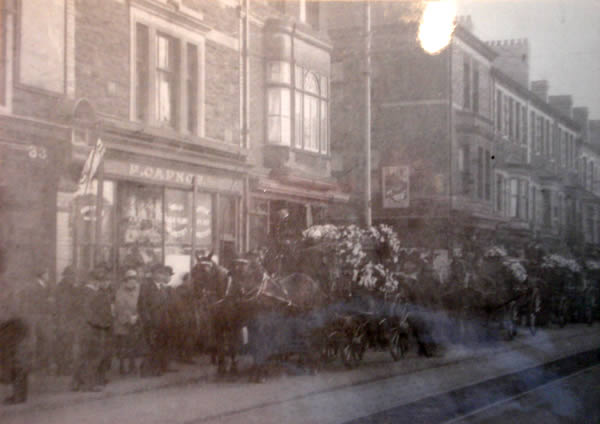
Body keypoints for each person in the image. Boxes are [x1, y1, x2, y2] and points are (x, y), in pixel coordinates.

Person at [71, 267, 113, 392]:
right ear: (95, 281)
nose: (102, 283)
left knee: (83, 356)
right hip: (91, 328)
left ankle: (77, 383)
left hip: (85, 328)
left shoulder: (83, 291)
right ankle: (89, 384)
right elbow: (88, 313)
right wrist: (103, 324)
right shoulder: (90, 293)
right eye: (100, 280)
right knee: (93, 356)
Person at [138, 264, 171, 377]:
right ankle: (146, 369)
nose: (160, 276)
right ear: (152, 275)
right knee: (150, 345)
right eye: (158, 273)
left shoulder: (162, 288)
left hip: (163, 321)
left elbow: (166, 305)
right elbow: (142, 305)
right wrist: (147, 320)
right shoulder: (146, 287)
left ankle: (157, 367)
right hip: (152, 320)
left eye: (162, 273)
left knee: (159, 345)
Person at [54, 266, 82, 375]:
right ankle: (62, 367)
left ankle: (64, 367)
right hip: (65, 320)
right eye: (72, 275)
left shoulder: (68, 287)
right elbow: (66, 304)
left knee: (67, 344)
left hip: (67, 320)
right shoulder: (64, 288)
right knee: (64, 344)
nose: (73, 278)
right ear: (67, 276)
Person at [113, 269, 141, 375]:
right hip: (123, 322)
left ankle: (132, 364)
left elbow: (141, 304)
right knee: (123, 345)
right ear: (125, 280)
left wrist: (137, 316)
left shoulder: (138, 290)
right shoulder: (120, 292)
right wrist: (129, 318)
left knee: (133, 344)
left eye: (134, 279)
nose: (132, 281)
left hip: (136, 321)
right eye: (130, 279)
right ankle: (122, 366)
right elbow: (119, 307)